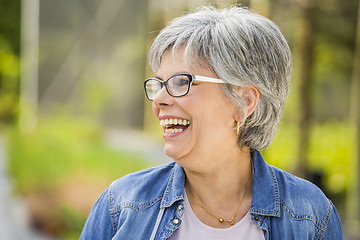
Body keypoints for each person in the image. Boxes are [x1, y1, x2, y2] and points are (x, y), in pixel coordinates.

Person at [80, 6, 343, 239]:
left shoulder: (311, 216)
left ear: (245, 101)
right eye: (159, 84)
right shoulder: (121, 205)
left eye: (182, 82)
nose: (159, 99)